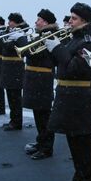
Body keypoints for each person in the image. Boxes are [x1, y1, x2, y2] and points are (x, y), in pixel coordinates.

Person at [45, 2, 91, 181]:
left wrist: (58, 49)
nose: (69, 21)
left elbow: (76, 69)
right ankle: (79, 178)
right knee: (74, 140)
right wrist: (53, 49)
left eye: (74, 18)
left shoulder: (89, 41)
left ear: (84, 21)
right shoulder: (74, 38)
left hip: (80, 96)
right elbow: (62, 65)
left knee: (83, 141)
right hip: (69, 95)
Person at [20, 9, 58, 159]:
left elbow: (29, 53)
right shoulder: (41, 35)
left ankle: (47, 148)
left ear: (46, 22)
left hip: (42, 79)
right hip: (35, 78)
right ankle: (41, 141)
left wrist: (25, 41)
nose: (36, 22)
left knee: (44, 115)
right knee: (38, 114)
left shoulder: (51, 36)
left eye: (39, 20)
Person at [0, 12, 28, 131]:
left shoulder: (21, 33)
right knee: (10, 95)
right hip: (8, 67)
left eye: (10, 21)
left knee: (15, 97)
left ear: (16, 22)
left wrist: (16, 38)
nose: (8, 23)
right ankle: (13, 120)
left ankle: (17, 122)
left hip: (15, 67)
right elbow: (0, 44)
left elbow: (21, 48)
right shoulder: (10, 32)